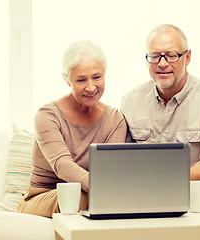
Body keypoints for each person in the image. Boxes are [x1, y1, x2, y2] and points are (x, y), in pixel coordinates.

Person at [120, 24, 200, 217]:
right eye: (154, 56)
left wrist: (171, 179)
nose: (162, 63)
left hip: (196, 185)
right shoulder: (130, 101)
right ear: (146, 60)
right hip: (146, 187)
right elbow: (122, 158)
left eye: (171, 55)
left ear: (188, 57)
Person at [18, 40, 127, 218]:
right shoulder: (47, 116)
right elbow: (63, 165)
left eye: (97, 77)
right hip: (43, 198)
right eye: (81, 80)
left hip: (92, 195)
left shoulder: (115, 120)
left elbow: (110, 171)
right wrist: (106, 188)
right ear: (67, 80)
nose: (91, 87)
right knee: (77, 197)